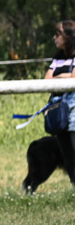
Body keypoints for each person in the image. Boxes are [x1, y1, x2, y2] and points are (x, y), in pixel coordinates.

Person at [44, 20, 75, 183]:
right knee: (67, 154)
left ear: (69, 36)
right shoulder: (57, 58)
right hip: (60, 112)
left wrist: (60, 76)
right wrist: (65, 76)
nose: (54, 38)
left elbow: (74, 78)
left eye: (58, 34)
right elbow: (47, 80)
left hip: (74, 112)